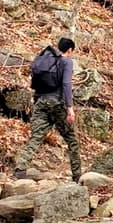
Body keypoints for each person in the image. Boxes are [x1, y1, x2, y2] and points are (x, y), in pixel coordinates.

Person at [14, 37, 82, 182]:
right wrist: (70, 108)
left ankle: (20, 168)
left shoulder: (48, 61)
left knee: (36, 137)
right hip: (57, 103)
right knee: (71, 139)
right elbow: (66, 85)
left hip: (41, 102)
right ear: (70, 50)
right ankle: (77, 175)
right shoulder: (66, 62)